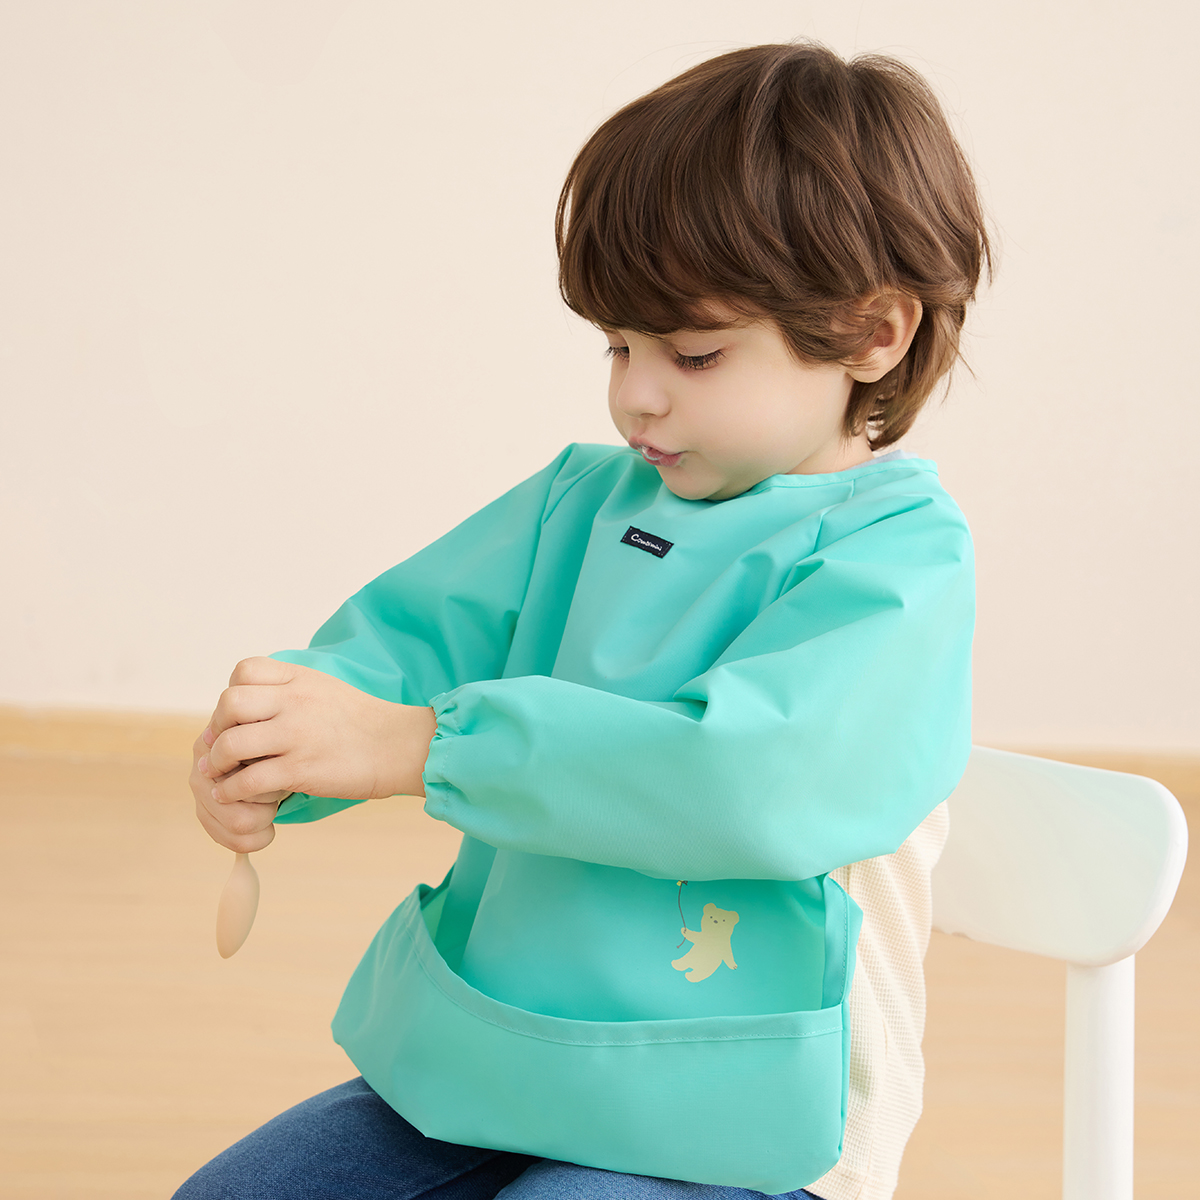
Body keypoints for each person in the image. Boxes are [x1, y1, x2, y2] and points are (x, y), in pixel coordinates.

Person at [178, 39, 990, 1200]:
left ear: (875, 333)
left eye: (694, 353)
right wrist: (284, 745)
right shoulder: (585, 500)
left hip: (745, 1109)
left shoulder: (901, 558)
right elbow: (405, 646)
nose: (634, 395)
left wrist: (422, 747)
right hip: (503, 1057)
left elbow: (744, 779)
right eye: (618, 344)